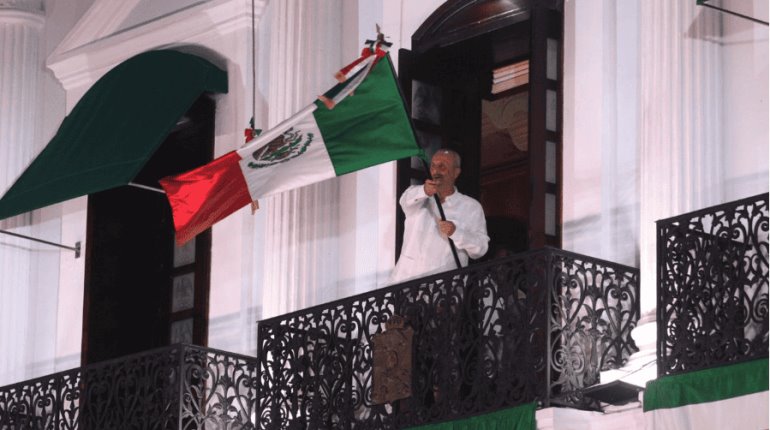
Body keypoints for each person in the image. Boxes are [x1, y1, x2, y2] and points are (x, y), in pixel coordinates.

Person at [389, 149, 489, 284]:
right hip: (406, 284)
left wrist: (456, 232)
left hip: (442, 290)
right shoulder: (418, 195)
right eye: (433, 166)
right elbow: (404, 201)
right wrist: (424, 191)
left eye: (442, 166)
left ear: (456, 172)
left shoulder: (471, 206)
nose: (436, 171)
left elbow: (480, 248)